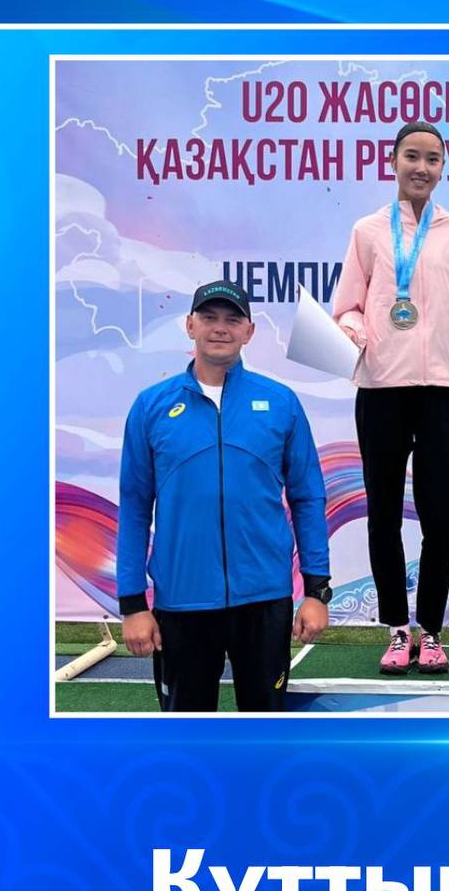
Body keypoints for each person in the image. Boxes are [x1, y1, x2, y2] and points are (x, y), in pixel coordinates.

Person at [117, 280, 331, 712]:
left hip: (264, 600)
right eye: (209, 318)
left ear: (249, 331)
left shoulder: (281, 403)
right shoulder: (151, 406)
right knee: (188, 735)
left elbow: (308, 498)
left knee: (264, 729)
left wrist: (316, 590)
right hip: (182, 601)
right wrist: (133, 604)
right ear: (190, 325)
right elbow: (135, 508)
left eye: (232, 320)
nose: (220, 328)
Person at [333, 122, 449, 675]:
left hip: (443, 389)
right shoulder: (368, 231)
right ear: (393, 162)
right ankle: (397, 628)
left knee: (443, 515)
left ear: (444, 168)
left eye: (432, 159)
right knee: (384, 513)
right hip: (381, 389)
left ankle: (433, 630)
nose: (422, 167)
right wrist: (357, 333)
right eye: (412, 156)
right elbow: (346, 306)